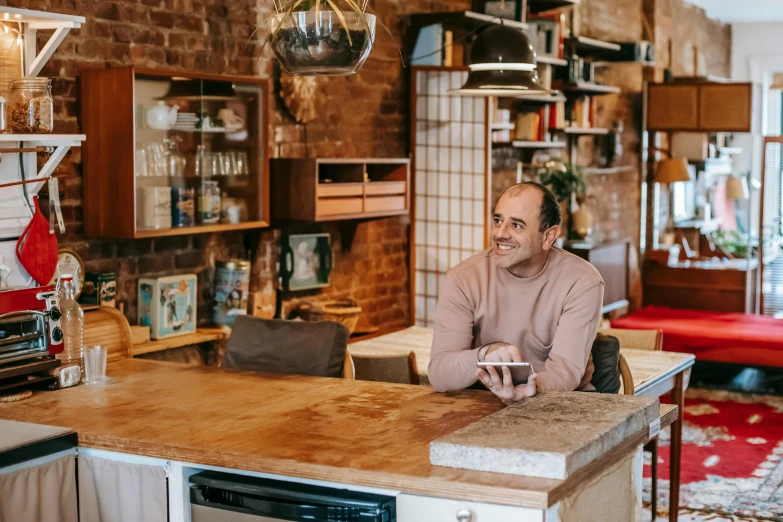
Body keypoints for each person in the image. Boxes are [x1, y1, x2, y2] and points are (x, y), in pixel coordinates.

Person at [428, 182, 604, 404]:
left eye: (517, 225)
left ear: (548, 236)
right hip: (484, 401)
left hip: (560, 403)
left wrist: (526, 392)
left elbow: (564, 372)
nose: (500, 234)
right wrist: (484, 355)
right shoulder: (463, 278)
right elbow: (440, 374)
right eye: (498, 221)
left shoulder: (582, 281)